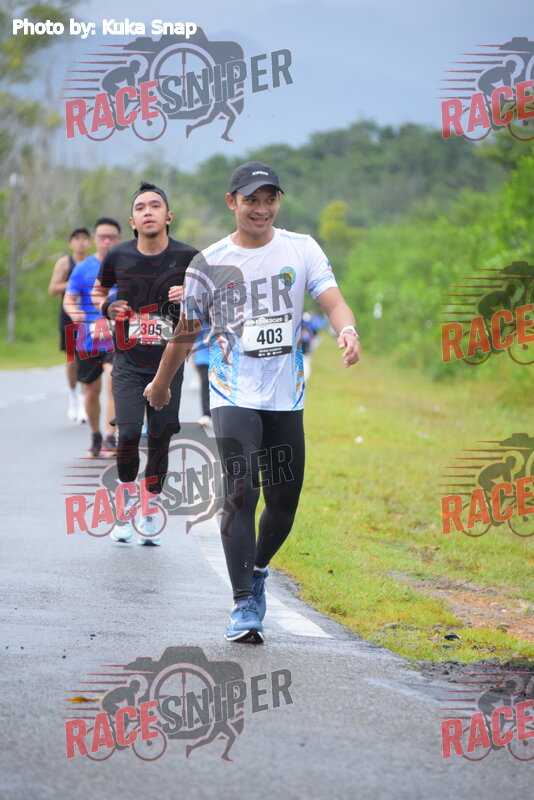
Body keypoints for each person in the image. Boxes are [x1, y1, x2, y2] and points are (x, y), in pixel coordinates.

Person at [144, 161, 360, 642]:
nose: (261, 208)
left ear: (279, 201)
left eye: (270, 199)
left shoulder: (302, 249)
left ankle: (258, 570)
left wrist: (347, 330)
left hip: (286, 396)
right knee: (241, 492)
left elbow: (332, 300)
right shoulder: (209, 263)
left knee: (284, 503)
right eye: (251, 200)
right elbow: (186, 331)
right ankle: (243, 603)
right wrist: (161, 384)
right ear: (232, 202)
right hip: (232, 392)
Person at [92, 182, 198, 546]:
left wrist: (191, 294)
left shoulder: (189, 257)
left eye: (155, 206)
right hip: (127, 362)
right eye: (140, 208)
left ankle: (150, 506)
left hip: (168, 363)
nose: (148, 211)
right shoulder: (118, 255)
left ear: (168, 216)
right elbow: (99, 291)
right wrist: (107, 307)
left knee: (160, 436)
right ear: (132, 221)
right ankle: (125, 505)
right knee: (127, 433)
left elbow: (213, 301)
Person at [63, 218, 121, 457]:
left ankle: (110, 437)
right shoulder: (82, 267)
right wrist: (73, 312)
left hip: (117, 334)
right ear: (95, 239)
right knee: (90, 389)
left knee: (113, 380)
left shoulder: (125, 265)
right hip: (87, 335)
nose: (107, 241)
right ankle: (96, 435)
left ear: (118, 239)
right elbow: (68, 299)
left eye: (111, 237)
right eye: (102, 237)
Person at [48, 227, 91, 422]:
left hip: (89, 317)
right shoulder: (65, 263)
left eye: (84, 239)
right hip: (69, 316)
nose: (81, 242)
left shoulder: (94, 263)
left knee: (86, 359)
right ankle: (73, 397)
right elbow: (52, 289)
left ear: (90, 243)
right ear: (70, 243)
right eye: (77, 239)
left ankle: (84, 402)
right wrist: (74, 281)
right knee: (72, 359)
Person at [194, 321, 212, 427]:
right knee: (205, 383)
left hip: (222, 357)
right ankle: (206, 414)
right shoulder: (201, 319)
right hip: (204, 357)